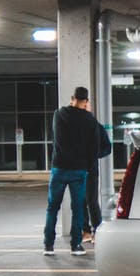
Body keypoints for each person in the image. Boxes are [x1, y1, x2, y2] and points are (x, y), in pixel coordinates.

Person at [43, 86, 100, 256]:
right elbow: (94, 147)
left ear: (72, 97)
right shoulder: (89, 120)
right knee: (78, 208)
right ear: (86, 101)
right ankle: (75, 245)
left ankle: (48, 246)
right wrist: (88, 168)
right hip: (79, 170)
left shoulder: (58, 114)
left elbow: (54, 138)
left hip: (59, 168)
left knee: (52, 207)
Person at [80, 106, 113, 243]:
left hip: (91, 169)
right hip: (77, 168)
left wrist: (94, 155)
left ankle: (97, 231)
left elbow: (107, 148)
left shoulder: (97, 127)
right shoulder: (76, 128)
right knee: (80, 201)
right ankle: (85, 231)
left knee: (91, 200)